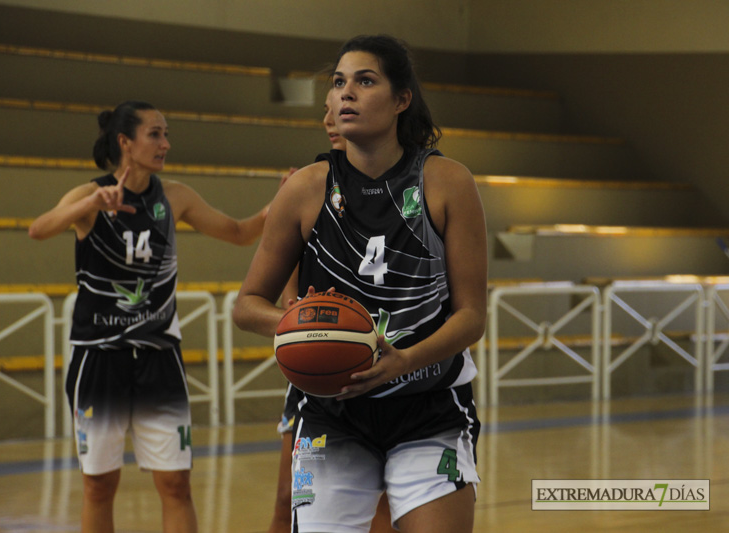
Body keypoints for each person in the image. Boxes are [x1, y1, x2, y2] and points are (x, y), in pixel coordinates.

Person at [233, 34, 487, 532]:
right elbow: (246, 305)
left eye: (364, 81)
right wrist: (303, 324)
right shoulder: (305, 188)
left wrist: (405, 360)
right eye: (338, 82)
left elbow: (471, 315)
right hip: (332, 412)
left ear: (401, 100)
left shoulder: (448, 182)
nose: (346, 93)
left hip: (428, 406)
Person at [29, 100, 274, 533]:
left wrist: (279, 204)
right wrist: (87, 206)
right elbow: (39, 229)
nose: (166, 143)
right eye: (155, 134)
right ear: (126, 142)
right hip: (98, 357)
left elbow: (238, 233)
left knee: (177, 485)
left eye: (166, 133)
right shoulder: (88, 196)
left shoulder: (175, 196)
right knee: (99, 486)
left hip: (159, 357)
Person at [270, 96, 396, 533]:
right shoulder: (307, 187)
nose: (329, 119)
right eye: (325, 108)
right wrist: (300, 315)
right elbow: (283, 289)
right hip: (319, 373)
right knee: (290, 496)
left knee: (382, 501)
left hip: (389, 368)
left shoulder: (406, 190)